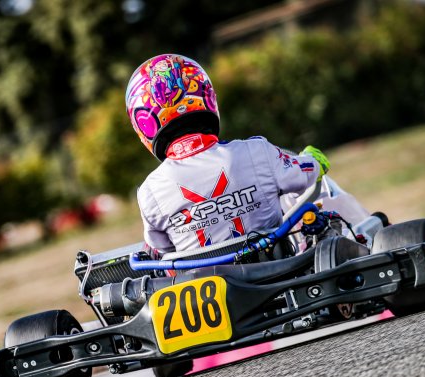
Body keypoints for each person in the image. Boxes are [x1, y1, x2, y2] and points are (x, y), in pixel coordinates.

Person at [126, 54, 369, 254]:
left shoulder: (149, 192)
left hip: (201, 290)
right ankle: (370, 242)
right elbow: (308, 173)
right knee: (320, 190)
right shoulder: (255, 152)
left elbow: (162, 252)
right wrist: (314, 159)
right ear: (205, 96)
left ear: (144, 122)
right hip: (278, 275)